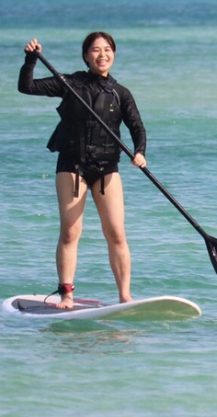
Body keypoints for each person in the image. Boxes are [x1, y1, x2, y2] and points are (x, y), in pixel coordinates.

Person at [18, 32, 147, 308]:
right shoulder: (69, 83)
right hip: (72, 167)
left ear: (114, 54)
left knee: (116, 233)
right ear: (86, 56)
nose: (102, 55)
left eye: (107, 49)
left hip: (107, 169)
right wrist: (30, 60)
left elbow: (137, 126)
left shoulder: (120, 93)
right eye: (96, 50)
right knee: (70, 232)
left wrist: (140, 152)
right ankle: (66, 294)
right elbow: (26, 87)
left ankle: (125, 295)